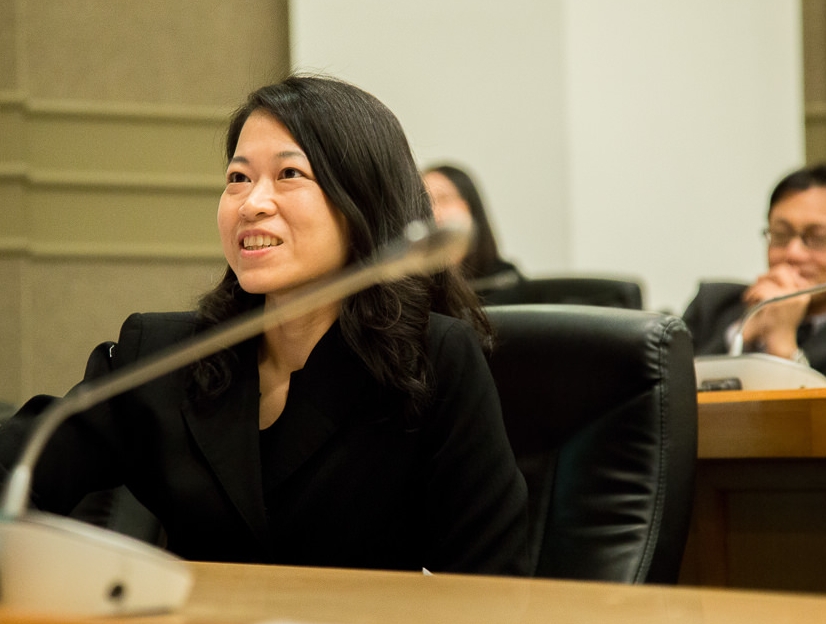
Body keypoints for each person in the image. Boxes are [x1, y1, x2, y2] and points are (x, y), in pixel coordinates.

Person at [0, 75, 529, 576]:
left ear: (362, 200)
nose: (251, 204)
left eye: (289, 174)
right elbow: (17, 468)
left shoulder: (432, 359)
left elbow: (492, 585)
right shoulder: (162, 354)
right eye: (238, 178)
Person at [683, 164, 826, 385]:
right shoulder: (712, 305)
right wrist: (741, 335)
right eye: (781, 235)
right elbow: (667, 394)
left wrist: (783, 348)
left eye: (818, 239)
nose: (793, 253)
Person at [422, 164, 523, 294]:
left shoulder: (504, 280)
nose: (434, 212)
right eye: (425, 203)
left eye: (444, 199)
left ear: (469, 206)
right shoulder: (415, 285)